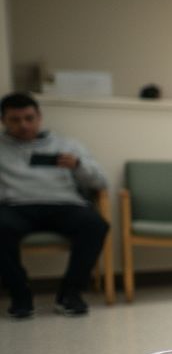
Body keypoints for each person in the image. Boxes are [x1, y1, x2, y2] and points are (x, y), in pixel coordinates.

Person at [0, 93, 110, 319]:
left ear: (39, 117)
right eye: (15, 120)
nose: (24, 125)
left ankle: (70, 294)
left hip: (63, 204)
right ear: (3, 121)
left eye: (29, 118)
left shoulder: (67, 144)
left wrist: (77, 165)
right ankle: (20, 295)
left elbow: (101, 183)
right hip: (16, 205)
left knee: (95, 225)